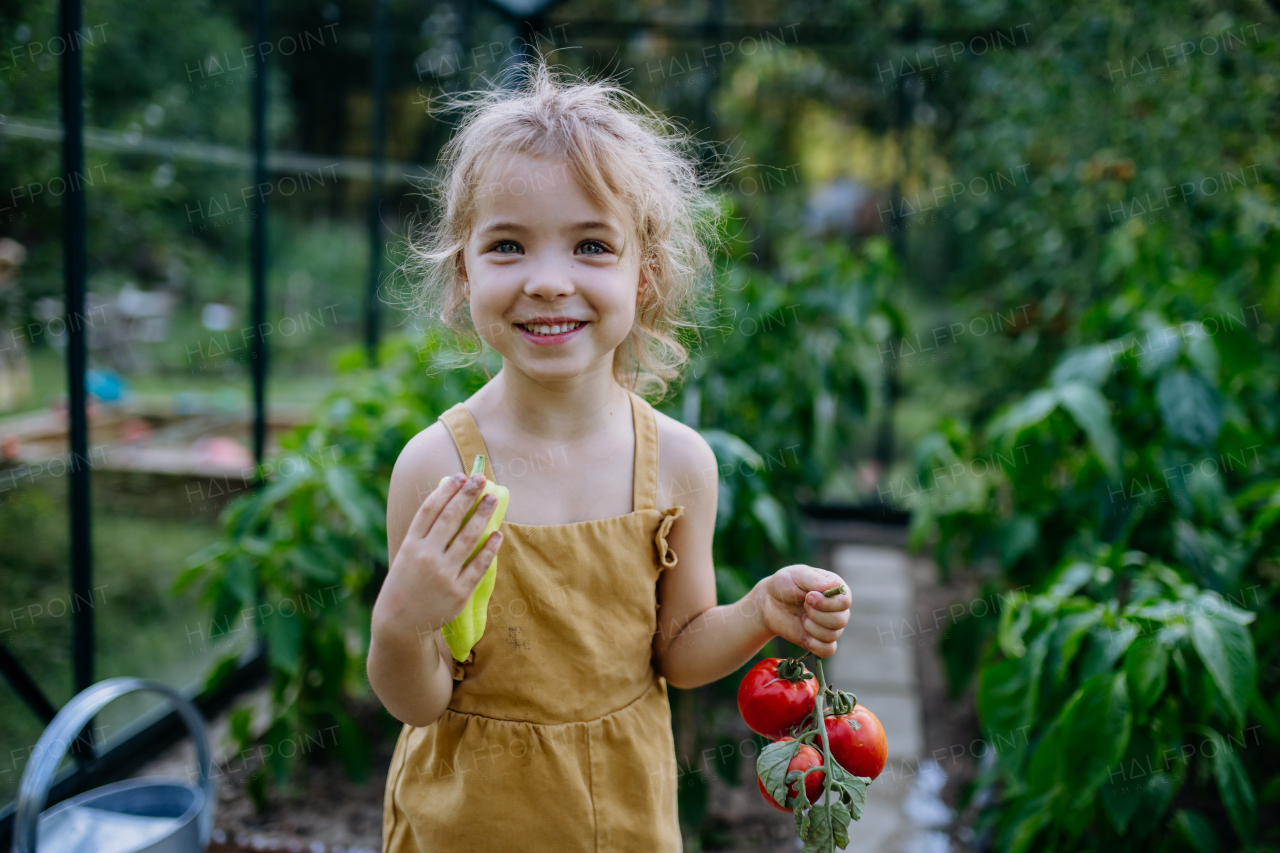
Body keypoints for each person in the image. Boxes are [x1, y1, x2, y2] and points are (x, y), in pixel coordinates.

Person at [368, 60, 852, 853]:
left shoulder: (681, 465)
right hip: (468, 825)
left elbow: (679, 652)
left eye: (592, 244)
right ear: (465, 273)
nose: (550, 281)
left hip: (621, 816)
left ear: (646, 272)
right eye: (508, 246)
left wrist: (758, 611)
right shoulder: (439, 469)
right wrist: (399, 623)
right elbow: (418, 702)